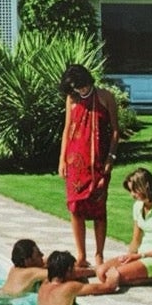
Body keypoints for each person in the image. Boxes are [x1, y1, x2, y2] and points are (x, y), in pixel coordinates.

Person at [59, 64, 119, 272]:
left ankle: (99, 253)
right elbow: (67, 129)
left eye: (82, 86)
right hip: (75, 163)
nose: (81, 91)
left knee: (98, 209)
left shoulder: (105, 97)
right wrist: (62, 160)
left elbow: (115, 131)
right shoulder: (72, 99)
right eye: (76, 88)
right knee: (76, 208)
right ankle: (81, 254)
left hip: (98, 163)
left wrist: (110, 161)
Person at [11, 249, 123, 305]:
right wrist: (113, 274)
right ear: (69, 270)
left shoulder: (45, 283)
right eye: (73, 268)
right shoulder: (70, 287)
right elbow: (109, 287)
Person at [98, 166, 152, 288]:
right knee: (101, 272)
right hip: (140, 255)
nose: (132, 195)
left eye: (134, 191)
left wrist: (141, 256)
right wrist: (128, 257)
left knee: (114, 277)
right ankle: (142, 277)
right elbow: (136, 240)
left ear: (144, 188)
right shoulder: (137, 206)